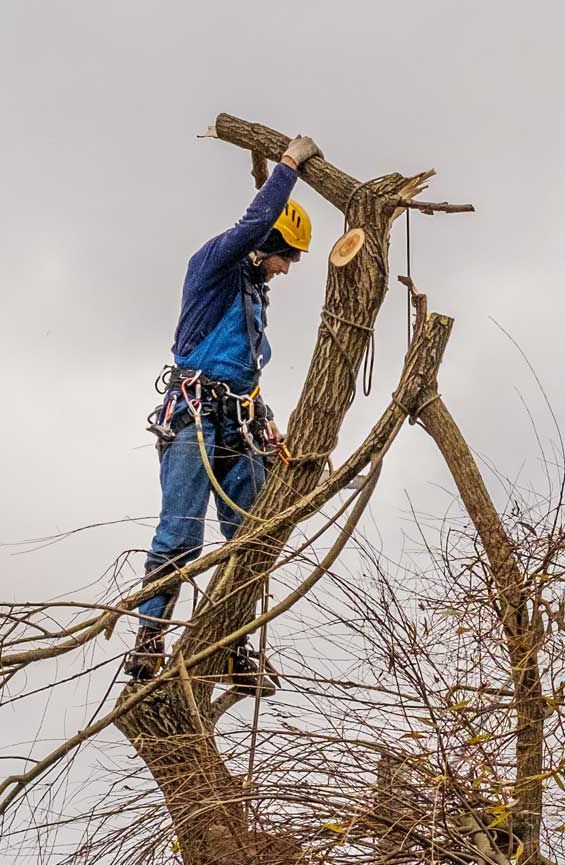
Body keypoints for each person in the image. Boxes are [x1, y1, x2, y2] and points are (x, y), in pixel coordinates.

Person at [125, 134, 321, 686]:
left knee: (251, 534)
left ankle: (228, 646)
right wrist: (288, 164)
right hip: (193, 417)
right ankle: (148, 643)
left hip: (238, 423)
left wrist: (266, 421)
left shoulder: (253, 298)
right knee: (181, 533)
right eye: (286, 255)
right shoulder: (212, 268)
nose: (287, 267)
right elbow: (254, 222)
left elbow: (245, 373)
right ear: (266, 244)